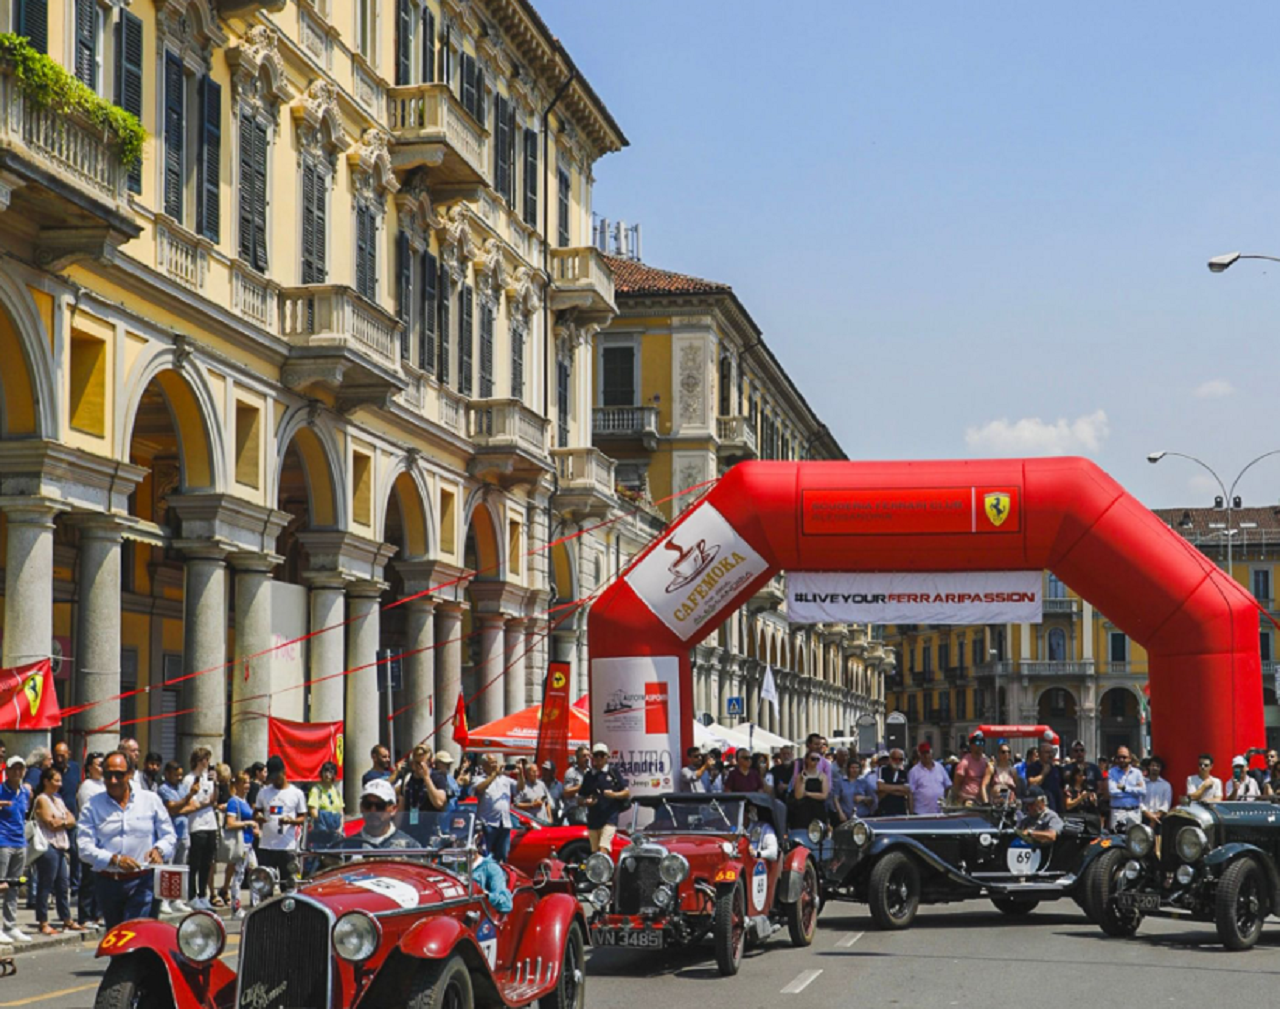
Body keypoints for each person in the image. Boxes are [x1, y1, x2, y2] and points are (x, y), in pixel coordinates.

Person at [77, 752, 176, 929]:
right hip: (108, 883)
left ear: (130, 774)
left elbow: (169, 836)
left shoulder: (150, 800)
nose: (113, 780)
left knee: (134, 933)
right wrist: (115, 859)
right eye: (108, 775)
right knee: (116, 937)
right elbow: (84, 848)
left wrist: (159, 850)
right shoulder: (92, 806)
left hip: (142, 882)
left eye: (119, 775)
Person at [32, 765, 82, 935]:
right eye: (56, 780)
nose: (60, 784)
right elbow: (50, 823)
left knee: (63, 884)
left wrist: (62, 820)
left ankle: (66, 919)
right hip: (48, 846)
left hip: (61, 845)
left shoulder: (58, 799)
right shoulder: (42, 799)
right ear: (46, 781)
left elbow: (72, 820)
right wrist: (63, 821)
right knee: (46, 884)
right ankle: (43, 921)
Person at [253, 756, 308, 876]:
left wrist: (291, 821)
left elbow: (302, 818)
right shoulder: (263, 792)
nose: (274, 781)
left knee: (288, 883)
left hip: (287, 846)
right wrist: (259, 817)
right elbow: (256, 812)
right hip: (266, 846)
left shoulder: (296, 793)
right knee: (266, 883)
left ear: (284, 772)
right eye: (271, 778)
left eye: (276, 777)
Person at [181, 748, 219, 910]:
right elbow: (192, 804)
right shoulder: (189, 780)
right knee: (195, 862)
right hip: (196, 825)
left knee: (207, 862)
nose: (207, 763)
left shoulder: (207, 778)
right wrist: (206, 803)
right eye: (205, 760)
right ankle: (191, 895)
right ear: (199, 760)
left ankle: (203, 894)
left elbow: (215, 800)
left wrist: (216, 783)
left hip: (210, 823)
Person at [155, 761, 193, 915]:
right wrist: (186, 801)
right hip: (170, 834)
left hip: (184, 832)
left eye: (180, 774)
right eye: (176, 774)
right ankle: (164, 900)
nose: (179, 777)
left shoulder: (181, 788)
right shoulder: (163, 789)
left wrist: (182, 806)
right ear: (168, 774)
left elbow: (193, 806)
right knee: (167, 867)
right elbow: (171, 808)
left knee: (180, 867)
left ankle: (176, 900)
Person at [0, 757, 31, 944]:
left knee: (13, 886)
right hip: (3, 842)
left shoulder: (25, 792)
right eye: (14, 769)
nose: (17, 772)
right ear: (8, 770)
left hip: (20, 842)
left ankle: (10, 926)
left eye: (21, 769)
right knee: (0, 885)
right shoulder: (1, 790)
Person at [579, 743, 630, 854]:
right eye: (596, 755)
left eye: (601, 755)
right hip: (593, 820)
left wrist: (614, 795)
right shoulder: (589, 776)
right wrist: (586, 802)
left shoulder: (613, 772)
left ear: (606, 757)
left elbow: (626, 792)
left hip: (610, 818)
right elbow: (580, 797)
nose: (598, 758)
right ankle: (607, 870)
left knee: (603, 848)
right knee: (595, 853)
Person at [221, 772, 259, 917]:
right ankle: (236, 908)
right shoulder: (233, 802)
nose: (247, 786)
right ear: (236, 785)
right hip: (240, 843)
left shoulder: (245, 802)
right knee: (239, 875)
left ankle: (255, 903)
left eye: (248, 782)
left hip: (249, 843)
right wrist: (247, 823)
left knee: (255, 872)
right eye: (244, 783)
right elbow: (230, 823)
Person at [339, 779, 416, 851]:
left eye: (380, 806)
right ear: (361, 807)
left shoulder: (409, 847)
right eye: (368, 805)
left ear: (393, 809)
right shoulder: (346, 847)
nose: (373, 811)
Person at [76, 752, 106, 930]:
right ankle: (85, 915)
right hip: (91, 836)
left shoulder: (103, 785)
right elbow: (92, 811)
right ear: (89, 768)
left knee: (100, 879)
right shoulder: (87, 787)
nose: (102, 768)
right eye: (98, 764)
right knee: (88, 879)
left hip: (103, 838)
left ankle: (97, 914)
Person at [472, 754, 519, 862]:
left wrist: (521, 774)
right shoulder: (478, 779)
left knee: (502, 856)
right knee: (483, 856)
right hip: (487, 823)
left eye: (495, 762)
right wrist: (494, 775)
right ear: (484, 765)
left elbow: (520, 788)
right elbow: (479, 789)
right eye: (491, 763)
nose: (494, 765)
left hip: (504, 823)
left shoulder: (505, 780)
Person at [468, 834, 513, 913]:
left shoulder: (491, 868)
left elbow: (506, 903)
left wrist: (485, 895)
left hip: (476, 915)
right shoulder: (450, 866)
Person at [397, 748, 446, 814]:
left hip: (430, 821)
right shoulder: (407, 779)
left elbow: (439, 803)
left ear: (429, 763)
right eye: (417, 763)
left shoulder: (438, 777)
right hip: (409, 821)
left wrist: (426, 778)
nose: (419, 767)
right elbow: (401, 808)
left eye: (422, 763)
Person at [908, 742, 951, 816]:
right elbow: (910, 793)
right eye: (923, 753)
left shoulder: (939, 767)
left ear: (931, 753)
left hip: (939, 813)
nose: (926, 756)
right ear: (920, 755)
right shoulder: (914, 771)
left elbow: (948, 786)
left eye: (927, 753)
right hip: (921, 813)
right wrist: (911, 813)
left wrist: (945, 803)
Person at [307, 762, 345, 846]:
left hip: (337, 831)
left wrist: (340, 828)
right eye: (325, 771)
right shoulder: (316, 790)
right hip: (323, 831)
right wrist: (327, 825)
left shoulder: (336, 791)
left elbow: (341, 812)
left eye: (330, 772)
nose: (327, 774)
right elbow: (313, 812)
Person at [1107, 746, 1146, 829]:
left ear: (1130, 758)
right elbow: (1112, 792)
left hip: (1134, 812)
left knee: (1135, 839)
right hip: (1118, 812)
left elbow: (1142, 791)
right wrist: (1134, 791)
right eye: (1119, 757)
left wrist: (1124, 788)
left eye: (1124, 757)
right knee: (1117, 839)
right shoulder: (1112, 772)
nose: (1121, 760)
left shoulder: (1137, 773)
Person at [793, 749, 832, 826]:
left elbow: (824, 795)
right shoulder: (800, 776)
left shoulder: (823, 776)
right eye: (813, 759)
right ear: (807, 760)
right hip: (803, 810)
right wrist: (803, 781)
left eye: (818, 759)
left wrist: (807, 794)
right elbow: (798, 796)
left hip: (818, 810)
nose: (816, 761)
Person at [1025, 742, 1065, 816]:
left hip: (1057, 804)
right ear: (1039, 754)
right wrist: (1043, 773)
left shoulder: (1057, 768)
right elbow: (1032, 783)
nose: (1050, 755)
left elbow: (1061, 787)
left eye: (1052, 752)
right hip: (1041, 805)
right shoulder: (1033, 767)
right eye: (1047, 752)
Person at [950, 732, 988, 806]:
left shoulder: (985, 761)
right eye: (977, 742)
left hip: (981, 801)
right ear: (971, 745)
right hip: (967, 802)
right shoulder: (964, 763)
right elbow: (956, 787)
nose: (980, 745)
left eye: (982, 742)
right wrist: (962, 800)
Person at [877, 749, 911, 816]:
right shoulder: (883, 770)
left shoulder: (904, 773)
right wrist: (899, 788)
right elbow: (880, 787)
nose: (898, 761)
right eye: (895, 759)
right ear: (890, 759)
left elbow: (906, 790)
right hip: (885, 810)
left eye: (900, 759)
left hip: (901, 810)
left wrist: (887, 789)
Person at [1142, 755, 1173, 828]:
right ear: (1149, 767)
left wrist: (1155, 817)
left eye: (1158, 766)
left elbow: (1166, 804)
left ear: (1160, 768)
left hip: (1159, 818)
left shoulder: (1166, 785)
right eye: (1153, 765)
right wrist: (1149, 815)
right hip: (1144, 817)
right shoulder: (1143, 783)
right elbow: (1139, 801)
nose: (1155, 768)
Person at [562, 747, 590, 824]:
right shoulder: (571, 772)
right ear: (578, 758)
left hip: (588, 812)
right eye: (584, 756)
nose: (587, 758)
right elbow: (566, 792)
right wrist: (581, 787)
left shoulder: (591, 772)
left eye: (588, 756)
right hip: (574, 813)